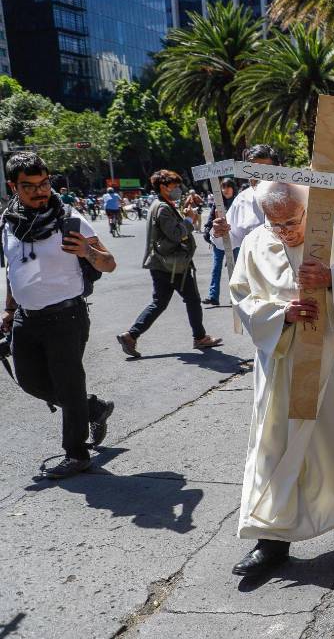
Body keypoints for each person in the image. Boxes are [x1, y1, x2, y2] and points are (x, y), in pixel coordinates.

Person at [229, 181, 334, 578]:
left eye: (291, 222)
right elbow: (242, 297)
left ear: (307, 210)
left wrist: (332, 278)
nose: (285, 232)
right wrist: (280, 314)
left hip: (333, 354)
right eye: (276, 225)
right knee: (273, 446)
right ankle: (270, 540)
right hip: (282, 359)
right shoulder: (256, 242)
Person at [1, 152, 117, 479]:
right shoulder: (9, 222)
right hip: (26, 317)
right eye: (29, 186)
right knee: (29, 381)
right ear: (13, 186)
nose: (40, 191)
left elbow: (109, 263)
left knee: (68, 385)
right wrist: (9, 310)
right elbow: (16, 269)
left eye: (44, 183)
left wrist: (87, 251)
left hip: (66, 317)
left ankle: (77, 454)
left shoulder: (70, 218)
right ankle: (92, 407)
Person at [116, 170, 222, 358]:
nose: (178, 190)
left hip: (163, 264)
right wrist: (189, 220)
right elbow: (175, 235)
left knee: (161, 302)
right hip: (172, 265)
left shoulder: (160, 204)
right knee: (191, 299)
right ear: (163, 187)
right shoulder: (163, 208)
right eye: (175, 186)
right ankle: (200, 337)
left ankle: (131, 335)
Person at [210, 144, 279, 260]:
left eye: (265, 171)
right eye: (252, 171)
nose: (258, 177)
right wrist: (219, 232)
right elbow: (230, 240)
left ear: (278, 169)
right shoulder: (242, 199)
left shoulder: (296, 196)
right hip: (253, 273)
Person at [202, 179, 237, 306]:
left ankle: (235, 296)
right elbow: (210, 220)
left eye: (228, 187)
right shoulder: (217, 203)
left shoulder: (238, 202)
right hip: (219, 241)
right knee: (216, 268)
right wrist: (207, 231)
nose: (226, 190)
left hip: (236, 241)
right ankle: (213, 296)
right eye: (223, 187)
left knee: (236, 270)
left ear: (233, 188)